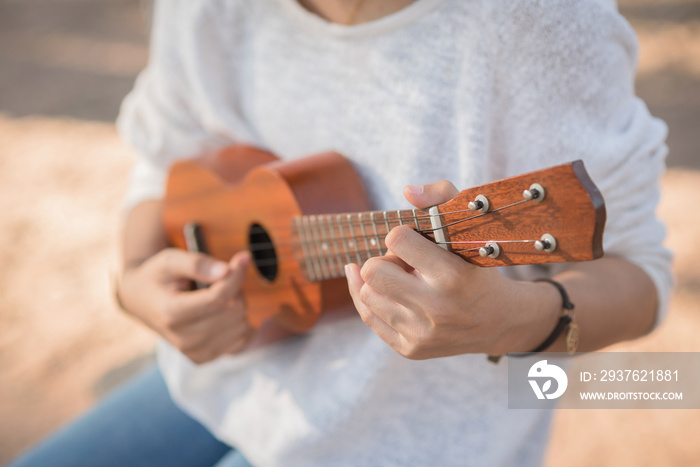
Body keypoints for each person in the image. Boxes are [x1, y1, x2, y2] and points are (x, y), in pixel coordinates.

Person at [9, 0, 673, 466]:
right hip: (211, 383)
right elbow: (163, 157)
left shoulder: (540, 21)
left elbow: (639, 276)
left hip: (407, 444)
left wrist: (517, 320)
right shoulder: (206, 7)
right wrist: (134, 285)